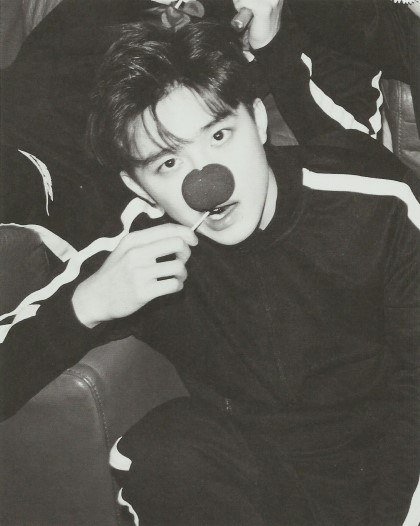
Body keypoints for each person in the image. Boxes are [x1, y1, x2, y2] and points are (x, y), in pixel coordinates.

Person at [1, 3, 419, 526]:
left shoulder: (374, 201)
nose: (207, 180)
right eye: (168, 162)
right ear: (138, 187)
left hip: (392, 474)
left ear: (259, 121)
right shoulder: (144, 250)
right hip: (265, 490)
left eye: (219, 135)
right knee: (166, 451)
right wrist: (86, 306)